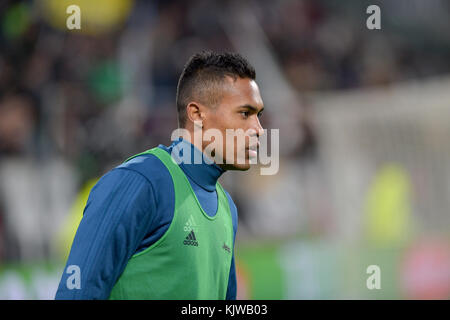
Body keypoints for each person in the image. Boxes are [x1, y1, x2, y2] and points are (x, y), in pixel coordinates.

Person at [55, 51, 265, 299]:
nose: (258, 130)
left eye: (258, 115)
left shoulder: (227, 208)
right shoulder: (141, 182)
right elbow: (76, 293)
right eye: (244, 113)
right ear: (197, 114)